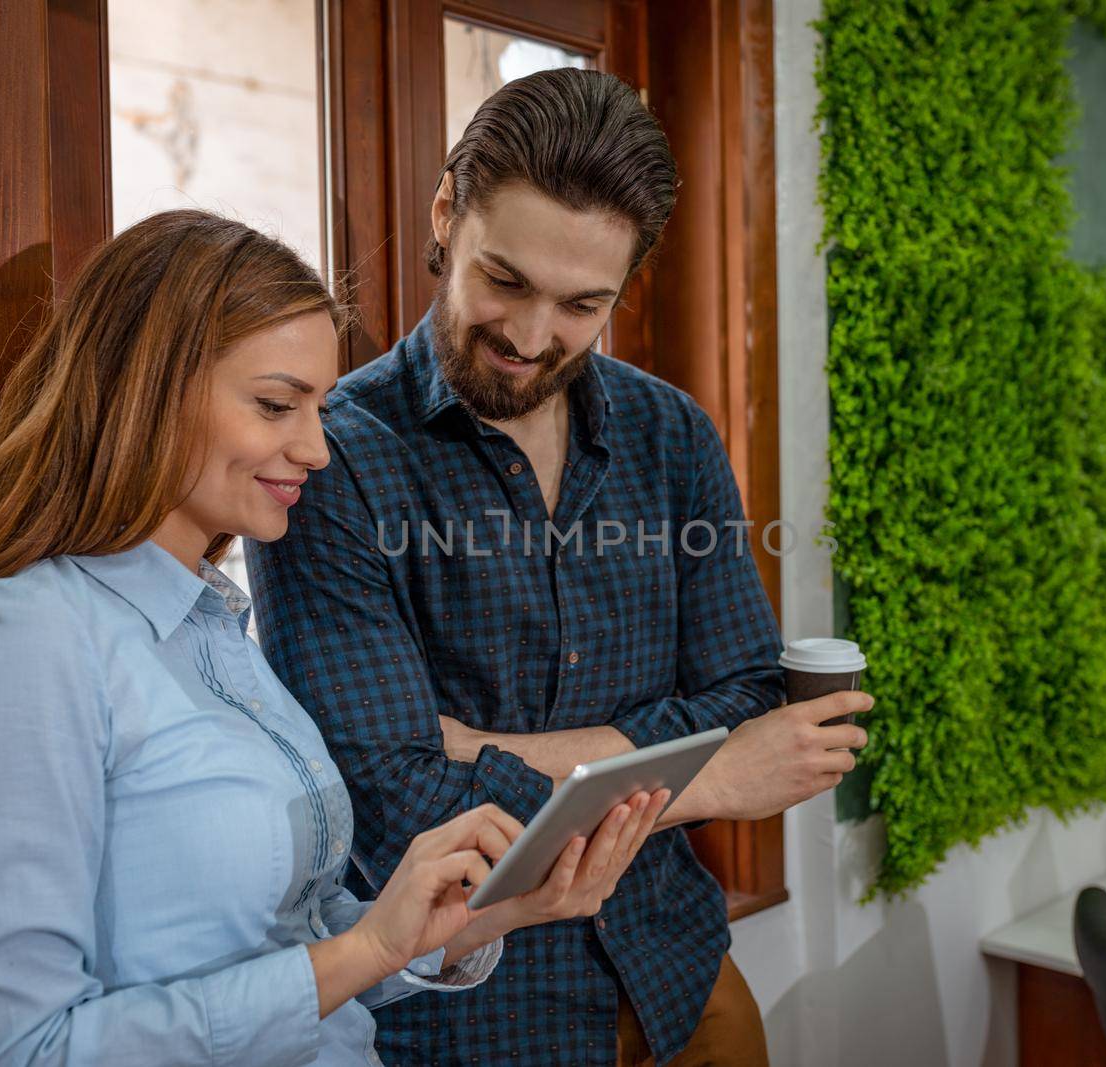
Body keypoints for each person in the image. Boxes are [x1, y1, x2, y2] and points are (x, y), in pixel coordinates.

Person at [0, 209, 668, 1067]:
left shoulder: (213, 631)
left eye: (318, 406)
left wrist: (480, 911)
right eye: (277, 404)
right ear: (147, 388)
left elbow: (290, 940)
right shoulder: (25, 640)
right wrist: (363, 951)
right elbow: (13, 1051)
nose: (317, 449)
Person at [249, 70, 872, 1066]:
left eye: (582, 303)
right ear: (447, 213)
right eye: (506, 280)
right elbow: (388, 798)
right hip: (475, 1022)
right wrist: (704, 773)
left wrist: (485, 744)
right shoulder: (333, 462)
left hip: (684, 978)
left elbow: (751, 693)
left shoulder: (671, 434)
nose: (532, 337)